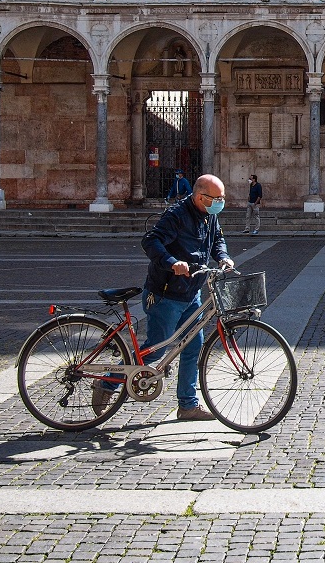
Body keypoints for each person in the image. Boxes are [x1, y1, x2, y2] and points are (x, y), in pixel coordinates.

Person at [93, 174, 235, 420]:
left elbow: (217, 240)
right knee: (156, 351)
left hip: (191, 293)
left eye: (223, 198)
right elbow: (151, 241)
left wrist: (223, 256)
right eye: (218, 198)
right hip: (166, 294)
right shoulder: (176, 215)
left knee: (193, 347)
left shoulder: (210, 215)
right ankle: (106, 384)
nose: (221, 202)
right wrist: (172, 262)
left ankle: (188, 405)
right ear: (201, 197)